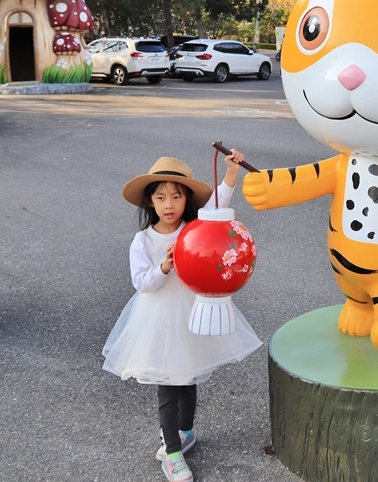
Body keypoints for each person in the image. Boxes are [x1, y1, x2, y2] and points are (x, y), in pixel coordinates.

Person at [103, 151, 260, 482]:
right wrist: (164, 266)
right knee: (167, 387)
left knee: (189, 379)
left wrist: (231, 173)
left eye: (176, 195)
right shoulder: (143, 240)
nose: (169, 204)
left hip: (191, 314)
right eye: (161, 197)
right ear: (150, 202)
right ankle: (171, 452)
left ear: (187, 198)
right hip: (158, 318)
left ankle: (185, 433)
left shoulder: (195, 227)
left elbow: (219, 206)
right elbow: (141, 282)